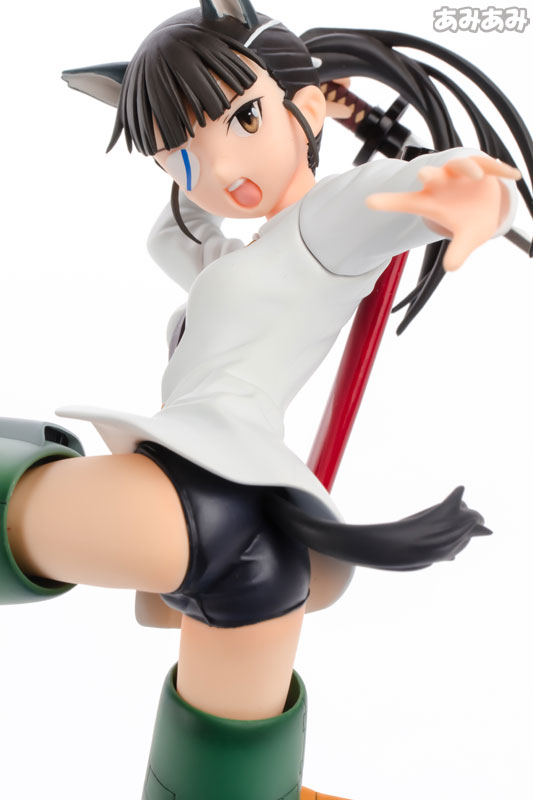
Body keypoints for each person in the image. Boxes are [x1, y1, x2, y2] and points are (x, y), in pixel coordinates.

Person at [1, 2, 531, 798]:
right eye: (179, 156)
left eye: (244, 118)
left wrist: (463, 192)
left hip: (195, 502)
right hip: (256, 557)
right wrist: (198, 138)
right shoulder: (244, 261)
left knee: (13, 467)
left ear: (306, 106)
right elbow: (175, 234)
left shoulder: (323, 224)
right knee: (221, 782)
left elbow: (411, 190)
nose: (220, 171)